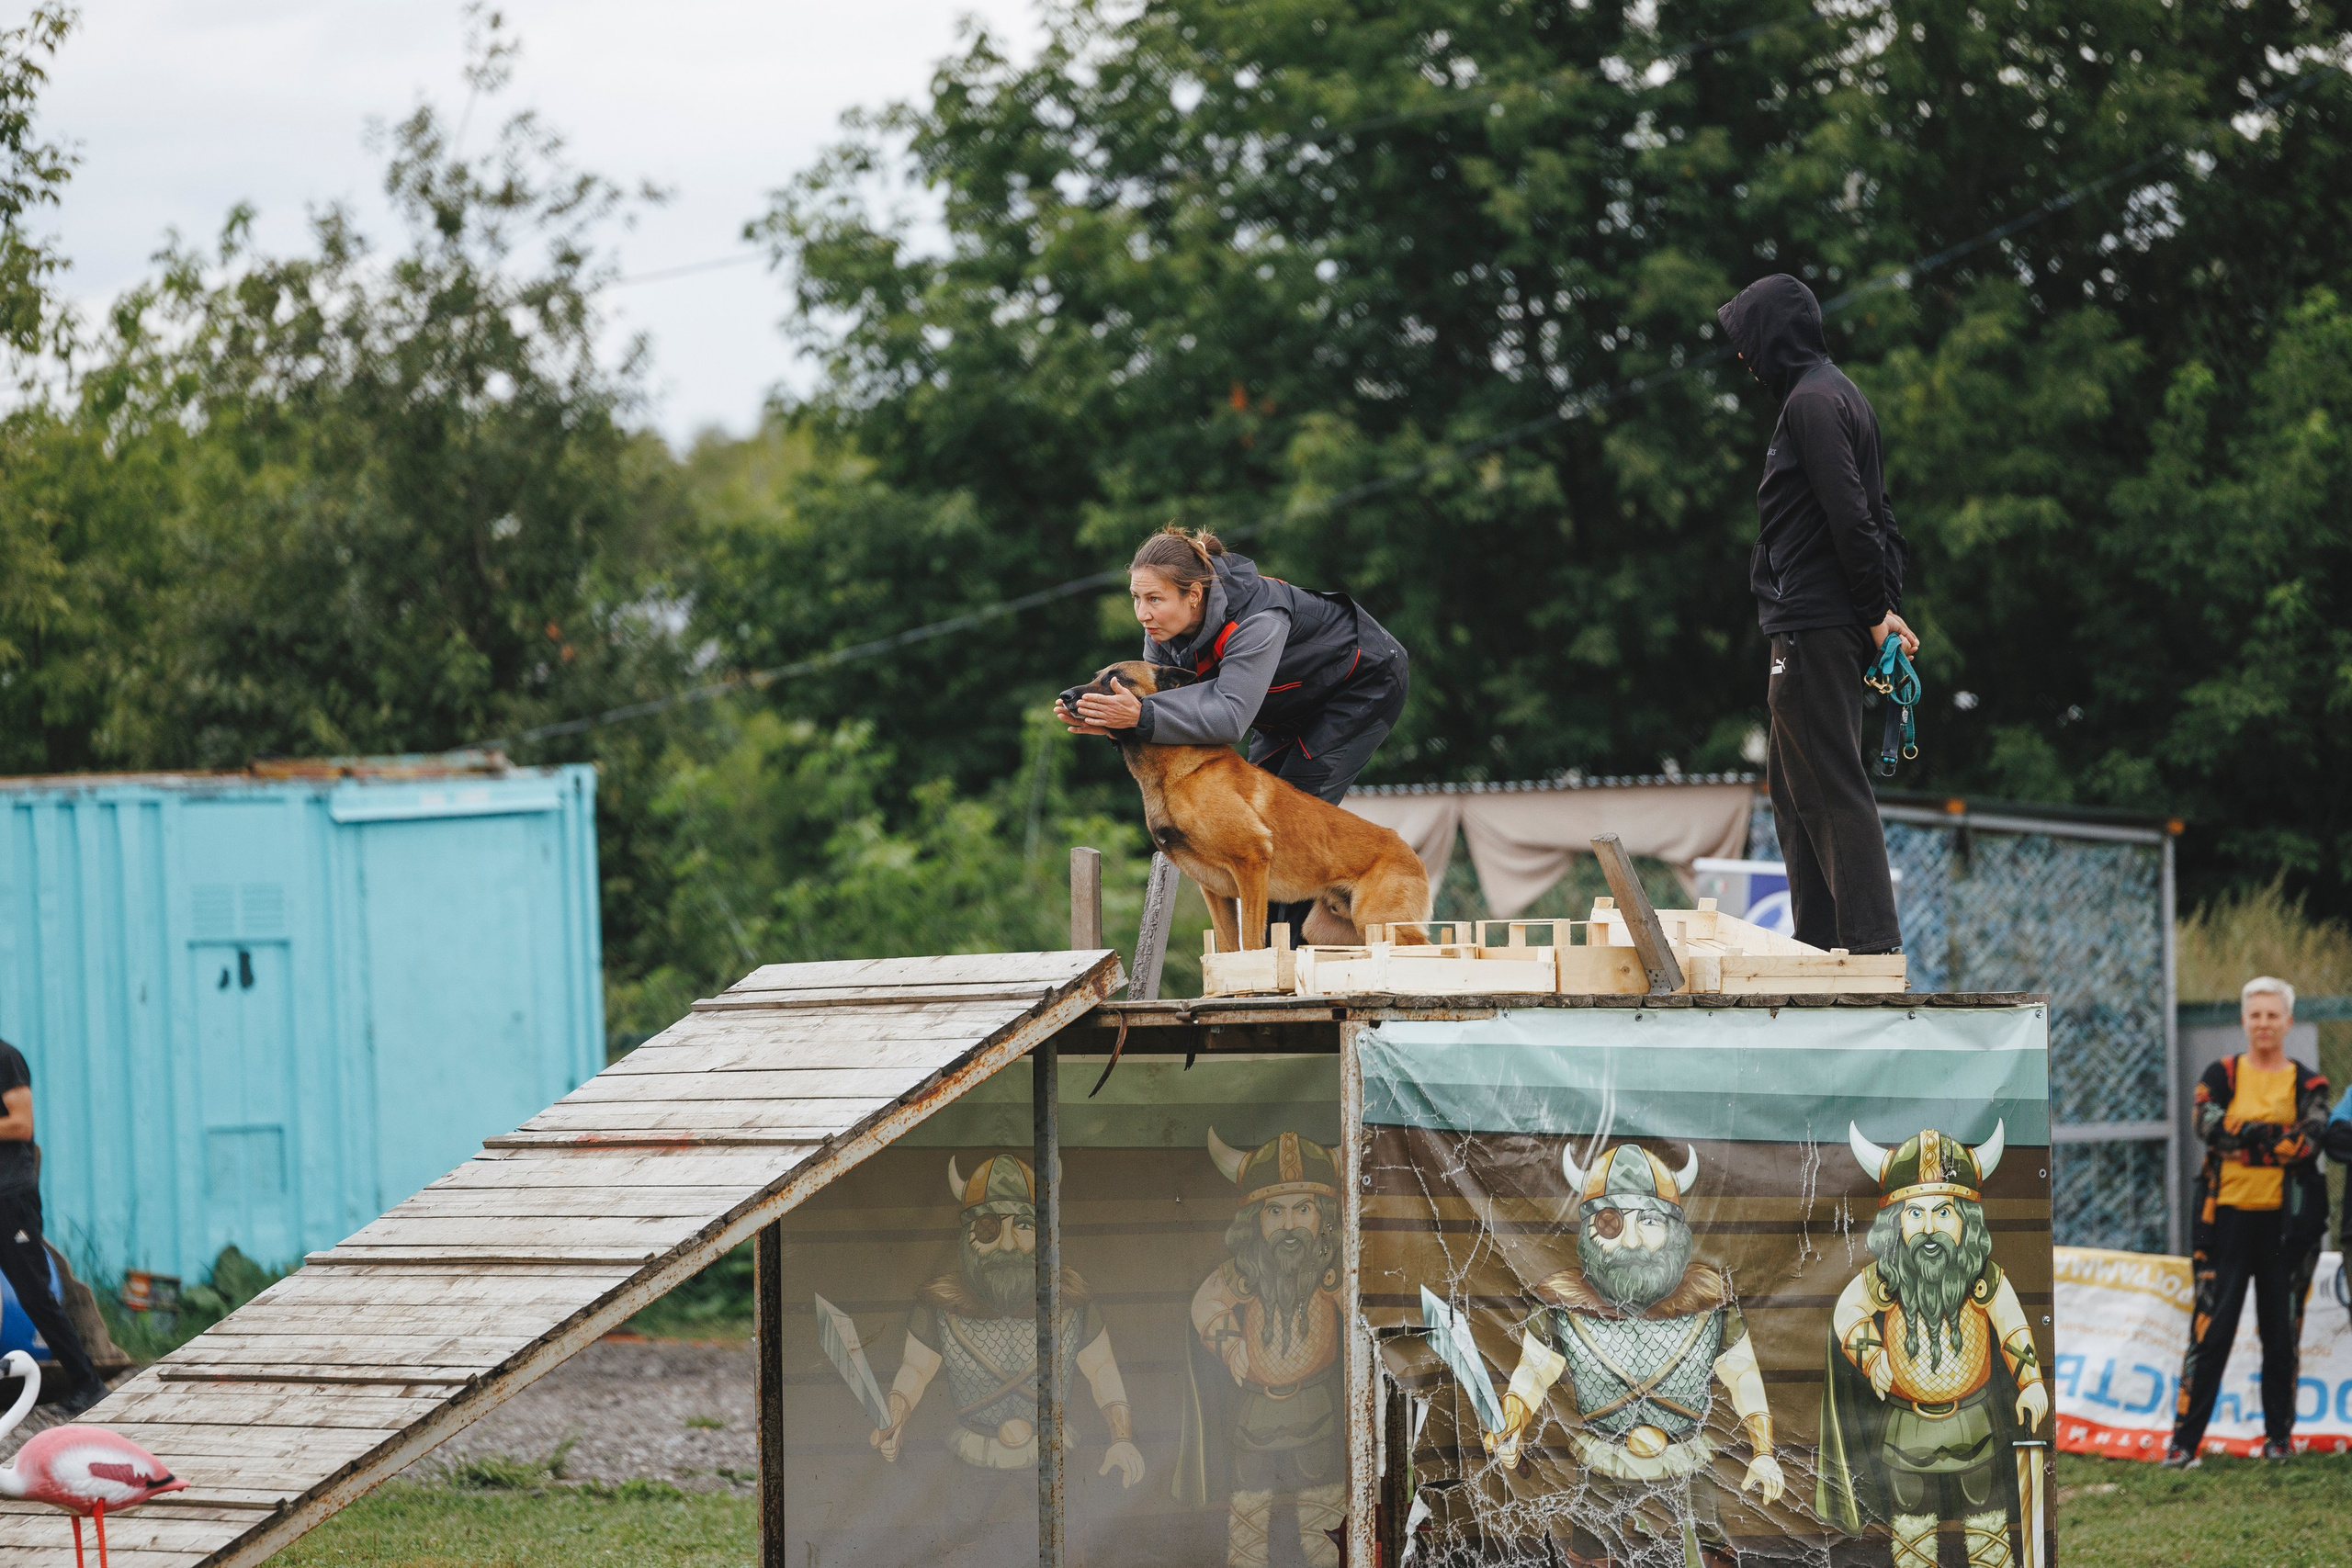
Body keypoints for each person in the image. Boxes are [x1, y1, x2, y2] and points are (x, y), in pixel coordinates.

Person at [1057, 525, 1408, 940]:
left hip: (1359, 687)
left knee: (1290, 821)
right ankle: (1268, 958)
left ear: (1193, 595)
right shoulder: (1161, 633)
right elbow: (1171, 715)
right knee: (1245, 816)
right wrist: (1115, 724)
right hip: (1282, 707)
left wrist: (1138, 718)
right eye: (1136, 598)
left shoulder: (1259, 619)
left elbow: (1228, 719)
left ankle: (1279, 963)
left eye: (1154, 599)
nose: (1143, 614)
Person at [1716, 275, 1912, 954]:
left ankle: (1869, 948)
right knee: (1793, 789)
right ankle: (1820, 939)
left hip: (1811, 620)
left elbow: (1852, 516)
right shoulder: (1843, 394)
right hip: (1827, 617)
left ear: (1775, 335)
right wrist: (1884, 606)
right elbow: (1880, 516)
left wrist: (1878, 611)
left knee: (1827, 779)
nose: (1744, 358)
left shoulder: (1810, 403)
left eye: (1748, 341)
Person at [2165, 976, 2330, 1466]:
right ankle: (2183, 1444)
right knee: (2210, 1333)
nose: (2263, 1023)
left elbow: (2311, 1139)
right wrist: (2275, 1139)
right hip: (2225, 1223)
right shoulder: (2222, 1074)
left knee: (2281, 1335)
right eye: (2255, 1014)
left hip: (2286, 1229)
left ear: (2288, 1021)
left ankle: (2278, 1439)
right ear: (2243, 1020)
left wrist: (2243, 1139)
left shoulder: (2308, 1082)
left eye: (2272, 1015)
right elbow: (2205, 1125)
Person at [0, 1035, 105, 1416]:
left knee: (34, 1294)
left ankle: (89, 1384)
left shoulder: (5, 1056)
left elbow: (21, 1125)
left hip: (10, 1197)